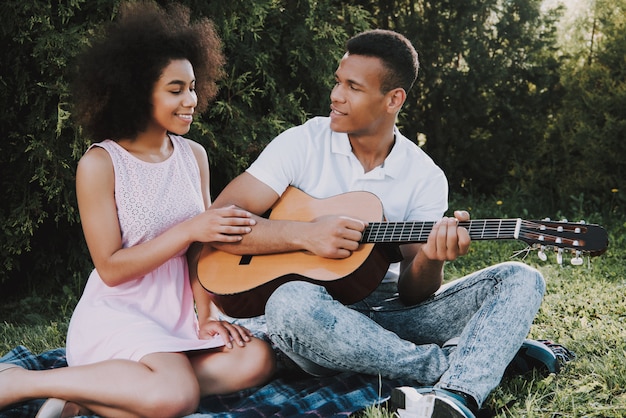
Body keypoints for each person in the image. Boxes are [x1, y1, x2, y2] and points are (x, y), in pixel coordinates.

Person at [203, 29, 553, 417]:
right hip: (317, 321)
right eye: (338, 81)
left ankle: (456, 399)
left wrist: (433, 258)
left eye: (352, 87)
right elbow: (219, 221)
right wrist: (304, 234)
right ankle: (455, 367)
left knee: (521, 277)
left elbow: (414, 294)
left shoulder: (424, 175)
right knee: (288, 303)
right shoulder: (301, 143)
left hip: (391, 315)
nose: (336, 95)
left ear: (393, 99)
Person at [0, 2, 275, 417]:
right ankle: (22, 382)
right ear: (137, 90)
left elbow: (200, 252)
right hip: (122, 311)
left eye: (194, 86)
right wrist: (189, 230)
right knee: (176, 395)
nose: (192, 100)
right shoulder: (100, 164)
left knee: (256, 359)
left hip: (179, 307)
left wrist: (205, 315)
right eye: (176, 89)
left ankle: (94, 390)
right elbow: (110, 268)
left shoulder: (193, 155)